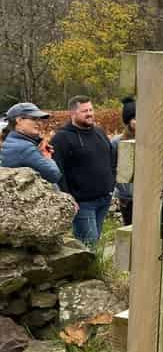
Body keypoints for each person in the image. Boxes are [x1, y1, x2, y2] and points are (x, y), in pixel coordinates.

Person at [51, 96, 117, 246]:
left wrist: (111, 183)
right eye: (84, 111)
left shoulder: (99, 132)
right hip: (83, 203)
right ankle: (86, 269)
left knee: (96, 241)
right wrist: (68, 197)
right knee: (88, 245)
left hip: (104, 199)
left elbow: (111, 158)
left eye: (91, 109)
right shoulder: (62, 138)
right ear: (73, 113)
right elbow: (56, 170)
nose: (90, 114)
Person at [0, 102, 62, 184]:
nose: (39, 123)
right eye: (34, 119)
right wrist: (47, 157)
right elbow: (54, 175)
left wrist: (38, 144)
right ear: (19, 120)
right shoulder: (24, 148)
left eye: (40, 119)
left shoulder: (11, 140)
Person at [111, 97, 136, 226]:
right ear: (128, 121)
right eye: (135, 118)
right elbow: (111, 166)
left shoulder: (150, 140)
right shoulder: (117, 142)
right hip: (127, 197)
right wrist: (120, 188)